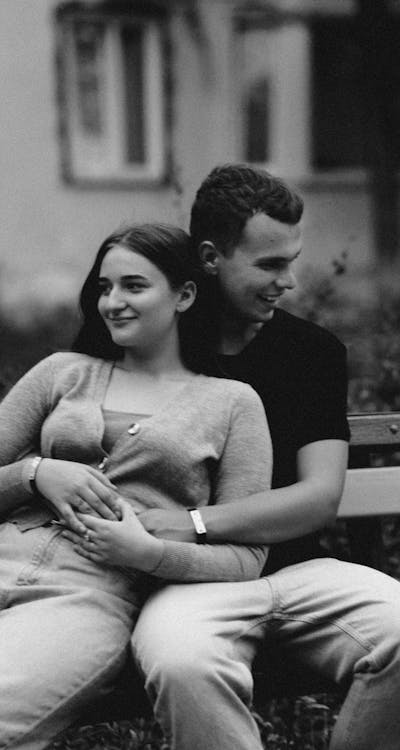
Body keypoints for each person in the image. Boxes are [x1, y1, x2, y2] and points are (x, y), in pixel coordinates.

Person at [131, 165, 400, 750]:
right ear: (210, 258)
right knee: (183, 666)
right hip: (188, 586)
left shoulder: (313, 353)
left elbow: (318, 497)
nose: (291, 280)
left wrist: (198, 523)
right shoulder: (155, 348)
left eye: (292, 260)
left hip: (300, 575)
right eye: (270, 265)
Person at [0, 223, 272, 750]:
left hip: (89, 598)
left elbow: (247, 558)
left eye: (133, 286)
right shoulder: (62, 372)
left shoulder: (232, 403)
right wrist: (35, 472)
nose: (112, 302)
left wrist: (149, 555)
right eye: (104, 287)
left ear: (185, 295)